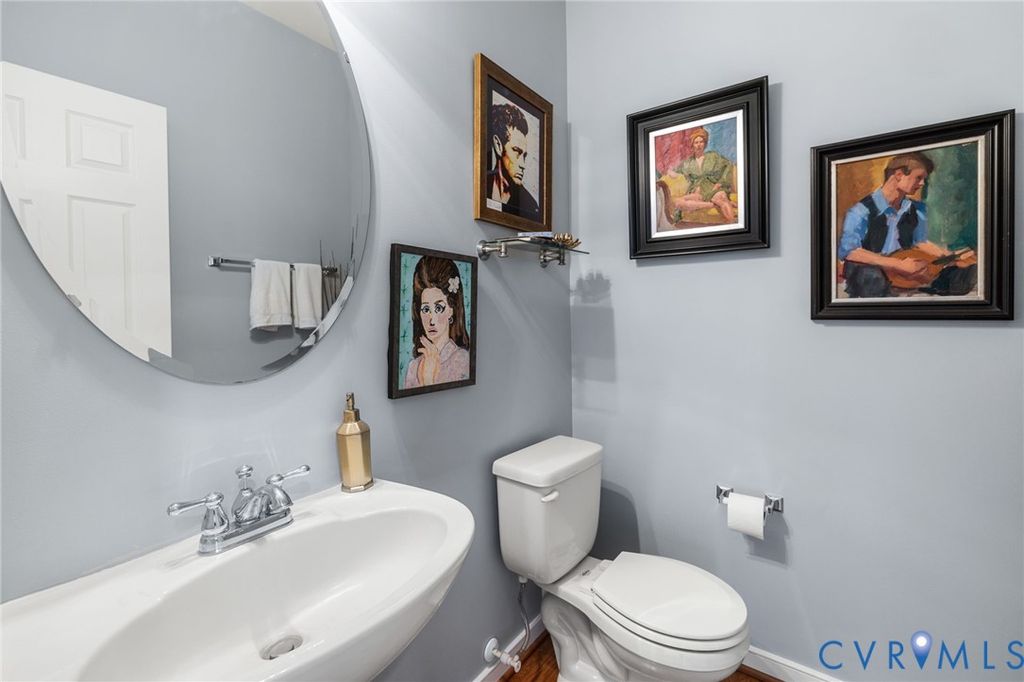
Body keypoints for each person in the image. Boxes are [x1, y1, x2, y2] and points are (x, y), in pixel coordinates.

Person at [838, 152, 976, 297]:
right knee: (871, 278)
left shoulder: (917, 209)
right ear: (899, 175)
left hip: (906, 269)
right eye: (918, 178)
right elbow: (850, 251)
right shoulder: (861, 210)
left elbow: (920, 242)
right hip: (875, 268)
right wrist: (897, 264)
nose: (922, 184)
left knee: (960, 275)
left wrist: (951, 256)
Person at [403, 256, 471, 389]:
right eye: (426, 309)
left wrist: (429, 380)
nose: (431, 320)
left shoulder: (462, 361)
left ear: (451, 310)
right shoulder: (413, 367)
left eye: (439, 308)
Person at [666, 127, 736, 223]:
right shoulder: (688, 162)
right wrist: (671, 172)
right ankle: (711, 204)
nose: (699, 145)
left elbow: (728, 165)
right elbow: (674, 170)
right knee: (677, 202)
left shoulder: (713, 156)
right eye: (696, 142)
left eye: (701, 142)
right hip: (697, 193)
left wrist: (720, 182)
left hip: (713, 189)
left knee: (722, 199)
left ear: (705, 144)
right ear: (692, 145)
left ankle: (733, 225)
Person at [487, 103, 540, 221]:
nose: (523, 165)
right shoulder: (481, 186)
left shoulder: (530, 206)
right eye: (516, 151)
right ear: (498, 145)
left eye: (524, 156)